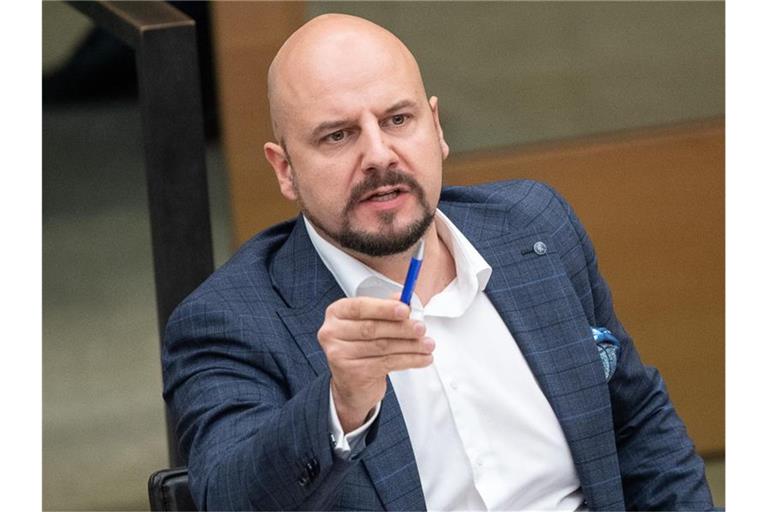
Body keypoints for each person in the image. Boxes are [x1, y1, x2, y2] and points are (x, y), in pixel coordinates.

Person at [162, 13, 715, 511]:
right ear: (284, 169)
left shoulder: (535, 226)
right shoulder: (229, 321)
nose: (378, 154)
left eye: (398, 120)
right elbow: (227, 498)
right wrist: (340, 404)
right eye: (338, 135)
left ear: (436, 127)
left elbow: (639, 425)